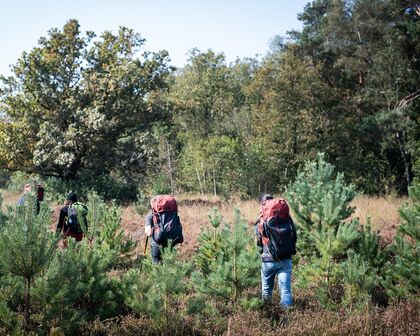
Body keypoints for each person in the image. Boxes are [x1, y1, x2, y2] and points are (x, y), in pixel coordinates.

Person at [255, 194, 297, 308]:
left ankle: (267, 314)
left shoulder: (261, 219)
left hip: (268, 261)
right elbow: (294, 236)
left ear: (263, 205)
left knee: (266, 290)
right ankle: (287, 318)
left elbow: (259, 242)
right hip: (285, 259)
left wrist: (263, 252)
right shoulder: (286, 217)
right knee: (286, 290)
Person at [144, 195, 183, 264]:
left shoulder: (150, 216)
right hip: (172, 241)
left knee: (157, 264)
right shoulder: (172, 213)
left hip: (157, 243)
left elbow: (149, 233)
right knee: (170, 264)